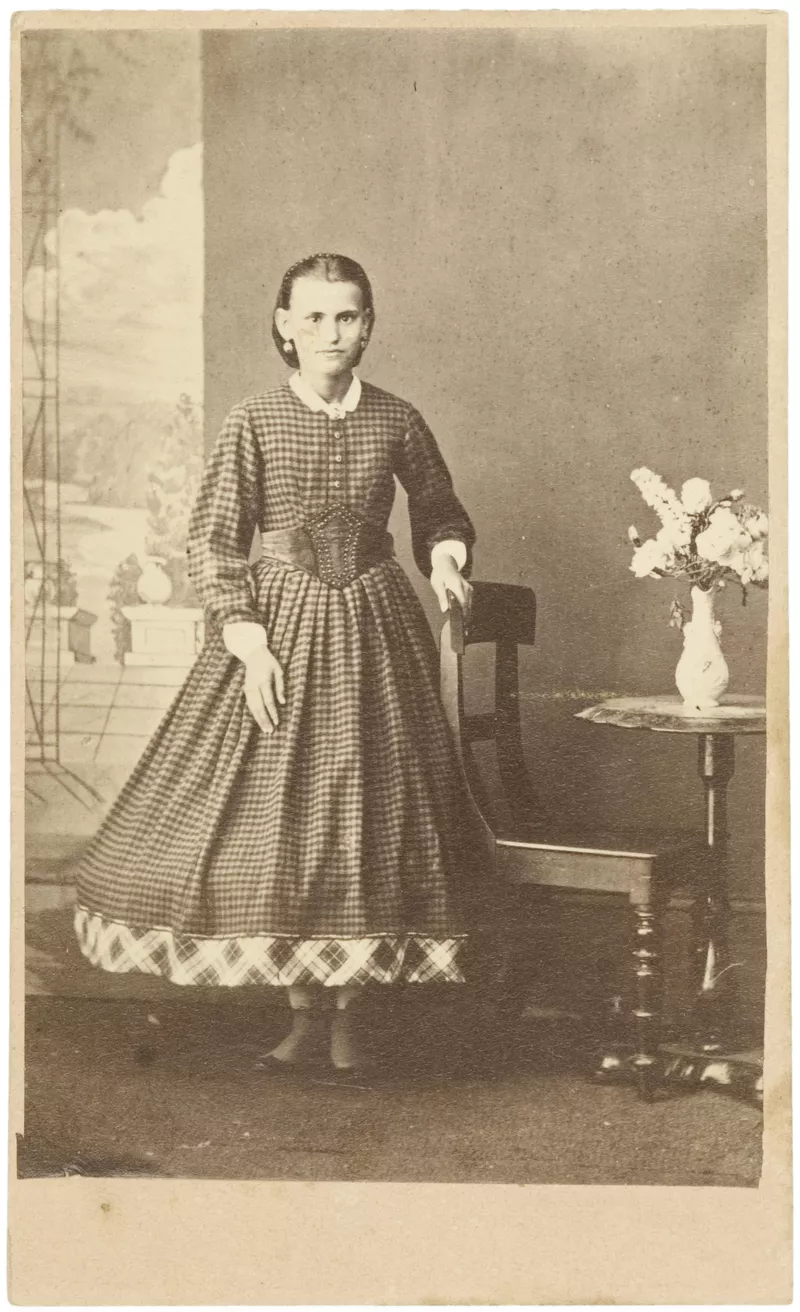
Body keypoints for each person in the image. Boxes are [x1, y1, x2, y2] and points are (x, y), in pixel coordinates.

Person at [75, 253, 477, 1076]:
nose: (332, 332)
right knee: (284, 820)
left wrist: (444, 556)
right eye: (314, 317)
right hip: (277, 632)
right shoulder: (253, 419)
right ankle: (301, 1018)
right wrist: (248, 640)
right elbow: (215, 542)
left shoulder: (397, 418)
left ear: (368, 325)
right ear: (285, 327)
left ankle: (351, 1021)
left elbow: (439, 507)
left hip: (375, 628)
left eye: (348, 316)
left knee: (366, 815)